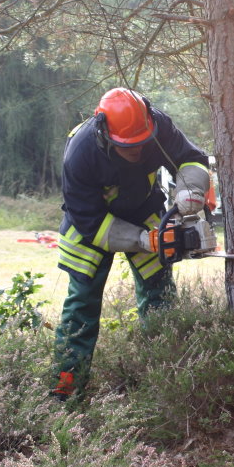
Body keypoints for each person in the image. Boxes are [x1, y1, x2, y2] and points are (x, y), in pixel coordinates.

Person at [51, 87, 213, 400]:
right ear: (103, 133)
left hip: (142, 211)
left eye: (141, 143)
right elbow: (87, 219)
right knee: (81, 304)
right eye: (128, 146)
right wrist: (140, 240)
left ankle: (165, 378)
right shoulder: (80, 152)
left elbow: (191, 159)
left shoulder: (157, 126)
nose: (137, 152)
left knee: (160, 293)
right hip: (92, 227)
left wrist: (191, 190)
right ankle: (67, 388)